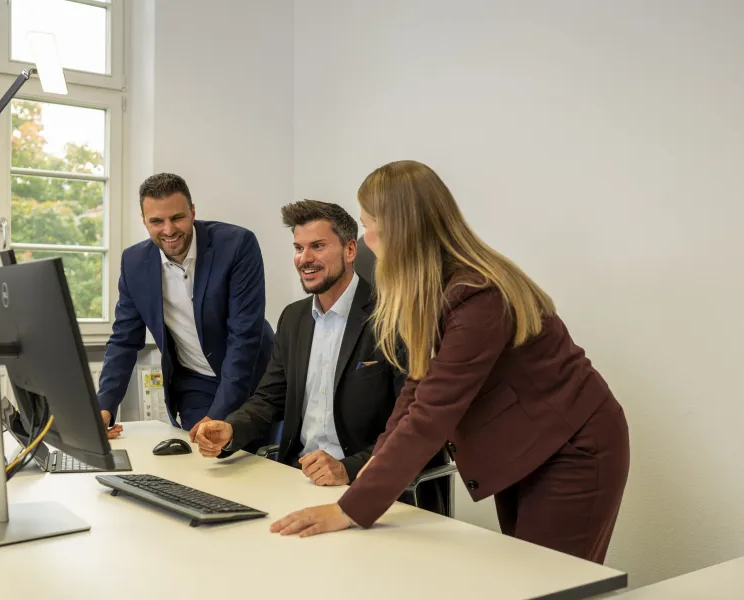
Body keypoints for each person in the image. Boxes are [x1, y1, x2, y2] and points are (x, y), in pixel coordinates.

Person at [271, 160, 630, 565]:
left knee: (550, 581)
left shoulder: (477, 294)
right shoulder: (427, 287)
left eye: (368, 224)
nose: (366, 239)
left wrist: (348, 510)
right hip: (525, 447)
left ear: (398, 228)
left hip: (572, 447)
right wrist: (371, 467)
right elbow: (415, 392)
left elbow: (433, 413)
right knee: (526, 577)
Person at [193, 200, 403, 485]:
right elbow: (269, 398)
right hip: (299, 477)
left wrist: (348, 469)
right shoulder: (294, 318)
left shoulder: (392, 317)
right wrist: (231, 430)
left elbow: (411, 424)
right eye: (298, 248)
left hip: (365, 483)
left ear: (350, 250)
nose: (305, 258)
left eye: (318, 246)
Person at [98, 173, 274, 434]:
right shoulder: (134, 262)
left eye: (177, 217)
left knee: (251, 454)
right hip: (196, 383)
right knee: (199, 453)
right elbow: (124, 340)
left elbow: (244, 337)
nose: (169, 230)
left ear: (192, 212)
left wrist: (218, 415)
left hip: (254, 378)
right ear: (144, 220)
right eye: (156, 221)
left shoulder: (237, 245)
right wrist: (104, 409)